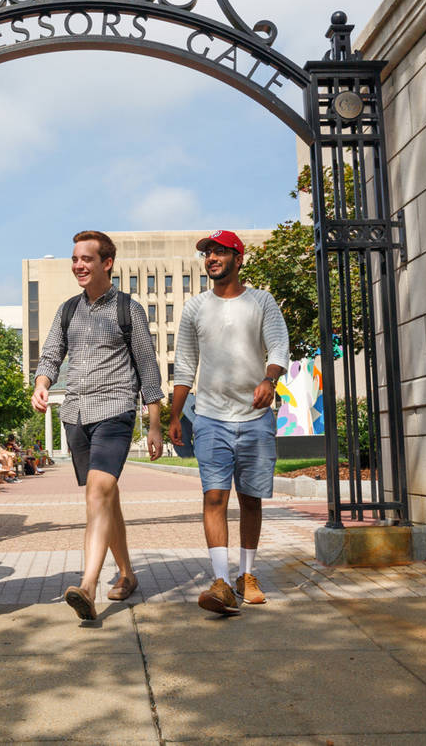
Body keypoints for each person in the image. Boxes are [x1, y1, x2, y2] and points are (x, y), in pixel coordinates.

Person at [33, 230, 164, 621]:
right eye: (75, 259)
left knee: (97, 491)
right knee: (107, 498)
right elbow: (51, 354)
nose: (78, 265)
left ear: (107, 263)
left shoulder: (129, 309)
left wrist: (154, 424)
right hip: (75, 414)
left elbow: (148, 368)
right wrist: (42, 385)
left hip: (115, 410)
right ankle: (126, 574)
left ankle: (88, 585)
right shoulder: (68, 310)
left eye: (86, 259)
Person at [169, 230, 289, 614]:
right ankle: (220, 581)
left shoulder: (262, 302)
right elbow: (185, 365)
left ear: (239, 258)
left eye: (220, 252)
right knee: (215, 497)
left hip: (255, 419)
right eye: (208, 254)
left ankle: (246, 575)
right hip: (210, 418)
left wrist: (269, 380)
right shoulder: (194, 308)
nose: (211, 259)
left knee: (251, 499)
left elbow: (279, 346)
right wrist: (174, 415)